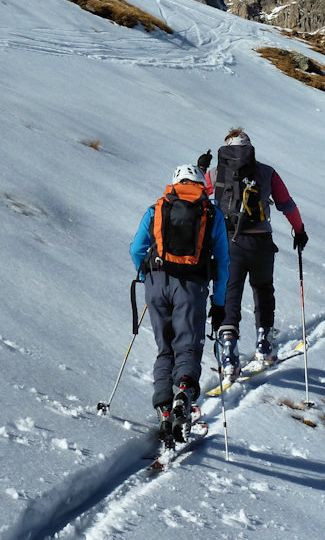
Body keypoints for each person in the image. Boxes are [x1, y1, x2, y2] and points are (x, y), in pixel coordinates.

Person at [130, 164, 229, 444]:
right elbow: (223, 262)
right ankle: (183, 391)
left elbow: (136, 248)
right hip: (192, 286)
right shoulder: (212, 213)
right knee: (187, 345)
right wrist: (219, 303)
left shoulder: (158, 208)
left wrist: (146, 275)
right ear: (201, 184)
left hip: (157, 283)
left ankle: (164, 409)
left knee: (165, 349)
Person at [197, 128, 307, 380]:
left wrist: (202, 170)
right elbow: (286, 203)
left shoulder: (217, 173)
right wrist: (299, 230)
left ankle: (228, 354)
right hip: (261, 243)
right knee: (263, 290)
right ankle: (264, 346)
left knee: (230, 295)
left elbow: (197, 195)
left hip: (229, 243)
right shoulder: (267, 172)